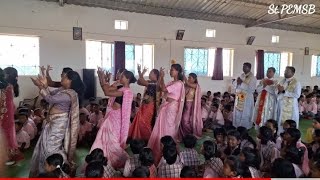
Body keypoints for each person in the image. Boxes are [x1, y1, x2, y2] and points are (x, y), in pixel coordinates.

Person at [29, 70, 84, 177]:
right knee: (45, 145)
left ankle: (59, 170)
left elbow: (50, 99)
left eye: (64, 77)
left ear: (70, 80)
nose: (62, 79)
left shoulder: (70, 94)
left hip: (59, 124)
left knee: (51, 147)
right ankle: (47, 171)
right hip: (52, 122)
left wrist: (41, 87)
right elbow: (50, 93)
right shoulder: (63, 90)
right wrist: (42, 85)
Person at [90, 68, 136, 169]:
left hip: (116, 120)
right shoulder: (120, 89)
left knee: (113, 141)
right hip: (112, 118)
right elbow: (106, 90)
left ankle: (115, 161)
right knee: (106, 140)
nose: (120, 77)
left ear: (127, 79)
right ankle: (107, 159)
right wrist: (101, 78)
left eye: (122, 76)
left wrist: (101, 77)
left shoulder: (126, 91)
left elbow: (107, 92)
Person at [148, 64, 185, 165]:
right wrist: (160, 77)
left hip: (171, 108)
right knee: (160, 128)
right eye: (170, 70)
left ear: (178, 72)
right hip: (166, 106)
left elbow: (164, 89)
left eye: (172, 70)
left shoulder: (179, 84)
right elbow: (160, 87)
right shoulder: (171, 82)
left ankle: (170, 153)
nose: (170, 71)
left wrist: (162, 77)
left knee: (169, 129)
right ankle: (159, 151)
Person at [128, 66, 160, 142]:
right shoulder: (149, 82)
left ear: (155, 74)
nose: (149, 74)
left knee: (144, 122)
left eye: (150, 73)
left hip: (150, 106)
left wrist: (141, 72)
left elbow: (141, 81)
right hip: (144, 105)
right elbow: (139, 82)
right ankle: (140, 138)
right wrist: (140, 72)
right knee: (140, 121)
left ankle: (148, 139)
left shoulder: (155, 83)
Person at [0, 67, 19, 163]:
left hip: (6, 113)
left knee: (5, 133)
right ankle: (8, 155)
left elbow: (3, 102)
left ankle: (7, 156)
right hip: (9, 113)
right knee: (8, 133)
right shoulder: (10, 86)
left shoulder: (6, 87)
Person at [275, 66, 301, 133]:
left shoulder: (297, 83)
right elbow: (277, 92)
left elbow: (297, 95)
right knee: (280, 121)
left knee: (290, 123)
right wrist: (278, 91)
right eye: (285, 71)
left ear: (293, 73)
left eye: (287, 71)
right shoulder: (282, 81)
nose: (285, 72)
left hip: (291, 107)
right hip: (281, 106)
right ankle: (280, 135)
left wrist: (284, 91)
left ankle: (291, 136)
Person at [233, 63, 257, 129]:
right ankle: (237, 126)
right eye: (243, 67)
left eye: (245, 67)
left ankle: (245, 127)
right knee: (238, 112)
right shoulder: (241, 75)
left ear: (249, 68)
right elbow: (235, 84)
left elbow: (251, 89)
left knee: (246, 112)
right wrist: (236, 82)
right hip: (240, 97)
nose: (243, 68)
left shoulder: (253, 78)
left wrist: (241, 83)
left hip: (247, 99)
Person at [179, 73, 202, 139]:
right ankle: (185, 135)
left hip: (191, 105)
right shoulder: (186, 85)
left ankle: (190, 135)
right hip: (184, 105)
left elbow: (188, 83)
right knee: (182, 120)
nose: (188, 79)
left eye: (190, 78)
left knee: (185, 120)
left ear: (194, 79)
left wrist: (183, 74)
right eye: (188, 77)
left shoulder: (196, 85)